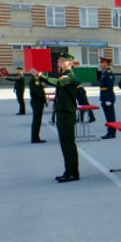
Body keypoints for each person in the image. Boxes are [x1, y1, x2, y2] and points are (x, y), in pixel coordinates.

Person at [32, 52, 80, 183]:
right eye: (59, 61)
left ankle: (73, 173)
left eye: (62, 61)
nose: (59, 62)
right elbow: (60, 91)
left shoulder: (70, 77)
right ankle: (68, 170)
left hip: (67, 114)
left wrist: (41, 76)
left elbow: (58, 83)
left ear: (70, 63)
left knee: (68, 144)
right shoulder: (63, 75)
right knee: (64, 144)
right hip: (62, 112)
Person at [97, 57, 118, 139]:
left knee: (110, 116)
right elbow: (99, 81)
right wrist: (98, 71)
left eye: (102, 63)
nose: (101, 64)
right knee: (108, 115)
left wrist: (108, 99)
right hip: (104, 96)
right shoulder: (104, 73)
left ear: (106, 63)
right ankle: (111, 131)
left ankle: (111, 132)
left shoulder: (109, 74)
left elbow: (109, 87)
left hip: (107, 97)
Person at [29, 70, 47, 144]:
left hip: (39, 102)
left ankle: (36, 137)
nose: (41, 73)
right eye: (39, 72)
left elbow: (43, 86)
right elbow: (37, 91)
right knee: (37, 120)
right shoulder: (34, 80)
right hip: (37, 102)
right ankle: (35, 138)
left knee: (38, 120)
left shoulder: (38, 79)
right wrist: (43, 95)